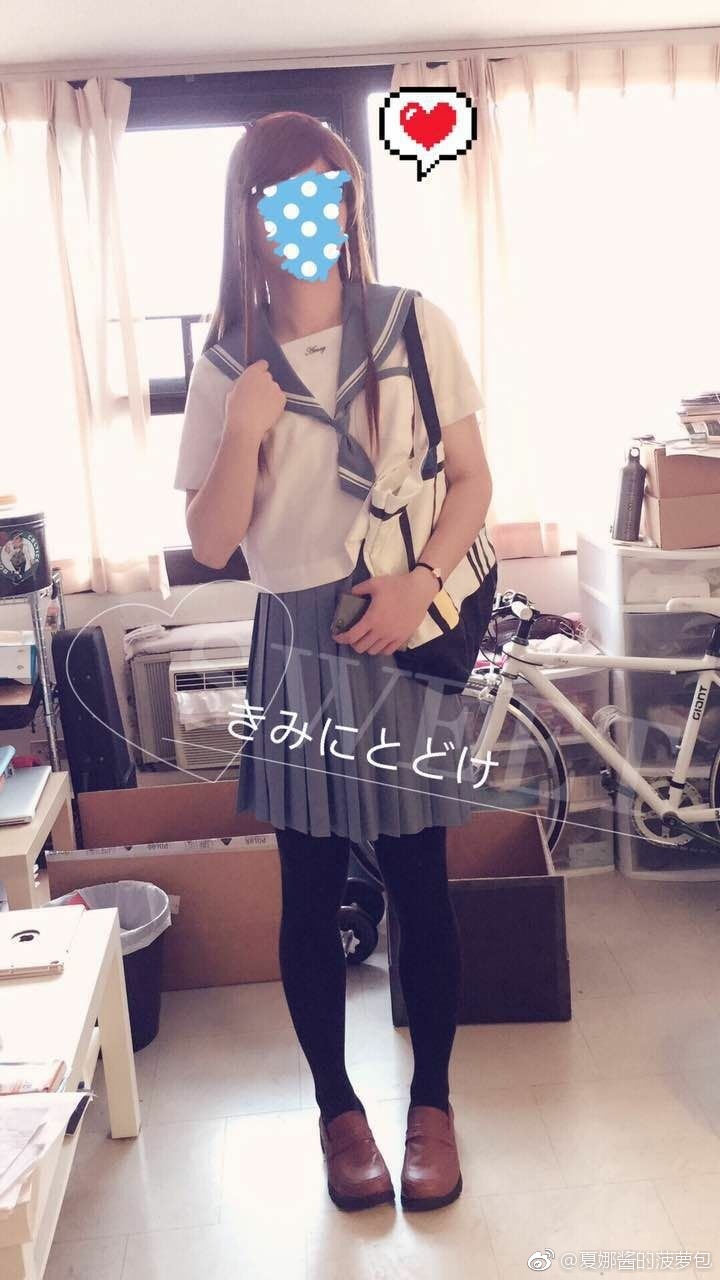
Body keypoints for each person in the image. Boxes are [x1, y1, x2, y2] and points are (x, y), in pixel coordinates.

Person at [173, 110, 496, 1213]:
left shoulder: (412, 325)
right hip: (294, 642)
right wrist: (240, 430)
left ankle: (432, 1105)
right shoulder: (228, 364)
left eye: (332, 190)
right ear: (252, 219)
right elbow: (211, 540)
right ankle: (338, 1113)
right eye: (290, 197)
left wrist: (422, 583)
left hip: (401, 618)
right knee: (309, 890)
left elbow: (473, 480)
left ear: (351, 204)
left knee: (419, 881)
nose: (316, 214)